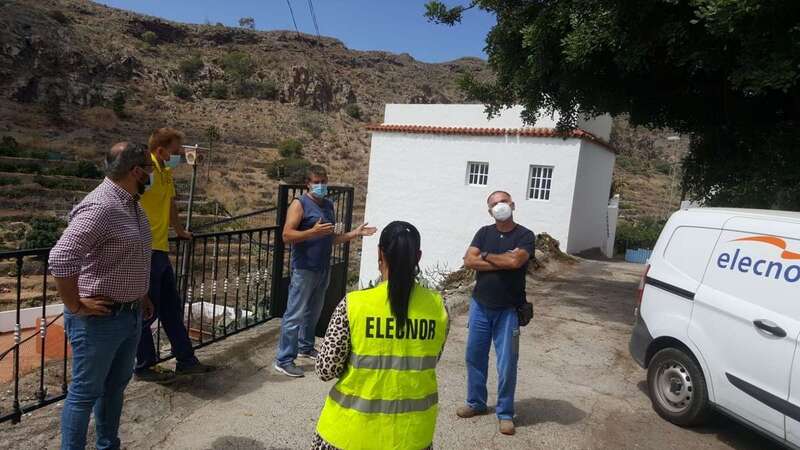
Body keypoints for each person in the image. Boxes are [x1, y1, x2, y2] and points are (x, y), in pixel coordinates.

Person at [49, 142, 156, 450]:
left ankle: (108, 446)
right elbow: (61, 258)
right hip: (100, 320)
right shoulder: (102, 205)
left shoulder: (130, 203)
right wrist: (75, 304)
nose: (151, 175)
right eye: (148, 169)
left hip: (130, 313)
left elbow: (132, 255)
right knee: (84, 394)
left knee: (115, 389)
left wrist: (142, 294)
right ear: (136, 171)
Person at [313, 221, 449, 449]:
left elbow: (326, 370)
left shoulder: (354, 304)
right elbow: (431, 358)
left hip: (349, 434)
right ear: (418, 256)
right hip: (411, 437)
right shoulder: (438, 307)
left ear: (380, 254)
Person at [274, 165, 377, 377]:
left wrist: (354, 234)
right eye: (316, 182)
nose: (321, 185)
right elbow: (286, 236)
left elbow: (330, 238)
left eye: (323, 181)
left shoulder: (328, 205)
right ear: (308, 184)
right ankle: (284, 359)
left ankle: (306, 346)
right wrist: (312, 231)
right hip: (304, 268)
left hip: (322, 267)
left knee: (314, 311)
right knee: (294, 314)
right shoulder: (299, 204)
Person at [134, 128, 214, 383]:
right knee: (148, 313)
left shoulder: (164, 174)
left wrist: (180, 231)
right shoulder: (146, 174)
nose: (179, 155)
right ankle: (145, 365)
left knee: (171, 309)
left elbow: (170, 205)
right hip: (146, 250)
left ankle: (186, 361)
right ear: (160, 150)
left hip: (160, 249)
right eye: (176, 151)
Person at [458, 190, 535, 436]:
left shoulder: (525, 235)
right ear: (489, 210)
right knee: (474, 356)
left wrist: (486, 256)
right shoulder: (484, 232)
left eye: (503, 201)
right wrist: (500, 259)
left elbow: (516, 263)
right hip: (480, 306)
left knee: (507, 363)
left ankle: (505, 413)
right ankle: (476, 403)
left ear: (513, 204)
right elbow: (468, 261)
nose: (499, 206)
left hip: (508, 310)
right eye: (494, 203)